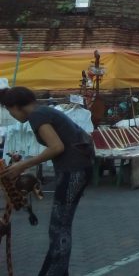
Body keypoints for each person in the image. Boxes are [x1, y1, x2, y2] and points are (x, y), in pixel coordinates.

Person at [0, 86, 94, 275]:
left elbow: (56, 147)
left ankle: (55, 272)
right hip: (78, 167)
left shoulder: (37, 115)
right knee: (60, 226)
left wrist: (23, 165)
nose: (11, 115)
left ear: (16, 106)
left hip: (73, 170)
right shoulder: (44, 112)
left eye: (9, 110)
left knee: (59, 227)